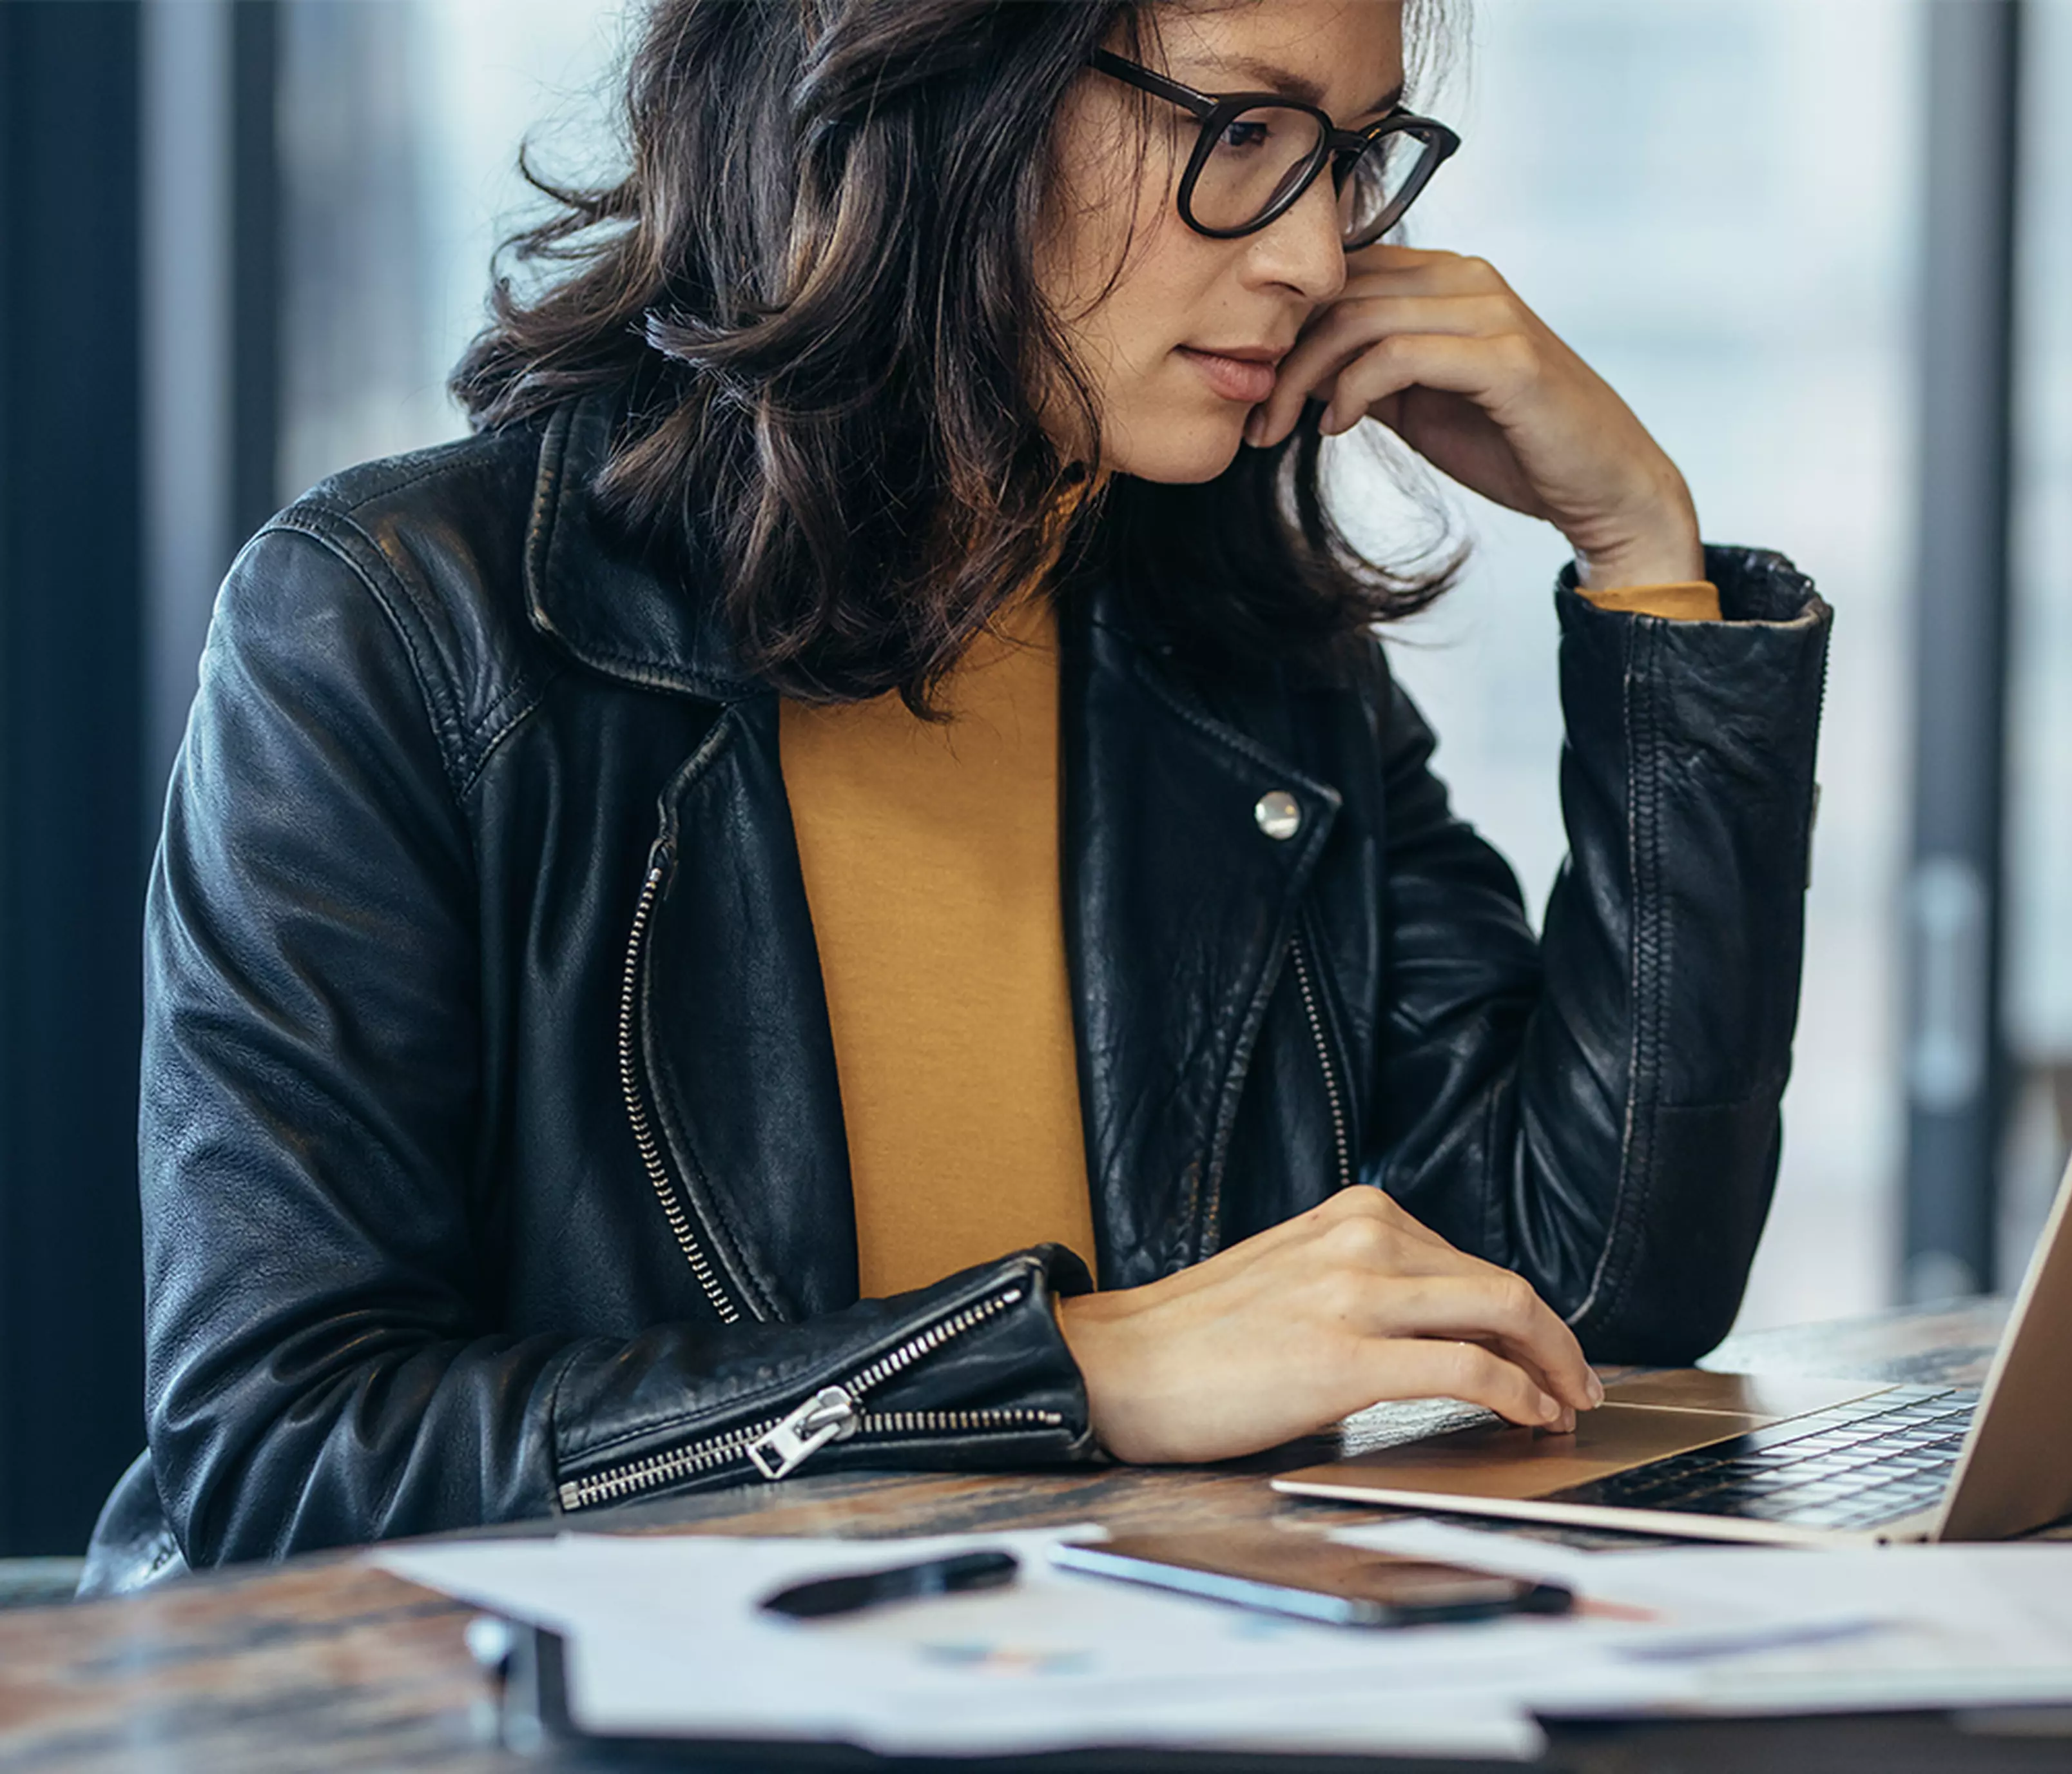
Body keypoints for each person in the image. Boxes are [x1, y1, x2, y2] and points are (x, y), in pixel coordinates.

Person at [85, 0, 1828, 1589]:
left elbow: (1599, 1298)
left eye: (1351, 160)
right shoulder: (401, 616)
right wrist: (1070, 1367)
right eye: (1239, 134)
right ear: (931, 88)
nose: (1315, 253)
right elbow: (285, 1452)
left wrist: (1646, 569)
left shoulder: (1248, 669)